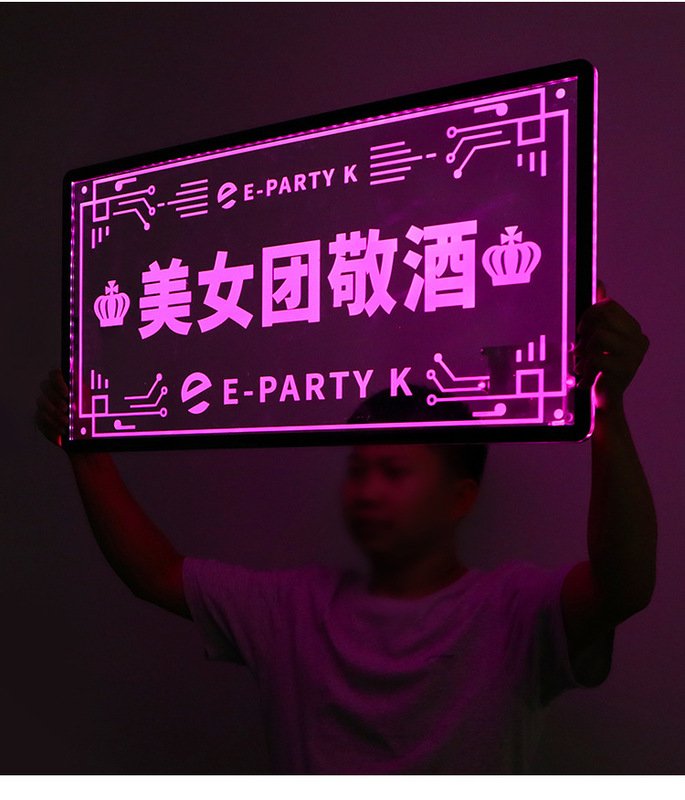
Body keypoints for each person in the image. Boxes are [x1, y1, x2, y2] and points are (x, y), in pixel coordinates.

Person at [35, 284, 656, 774]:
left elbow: (624, 586)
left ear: (459, 497)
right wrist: (84, 451)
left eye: (394, 472)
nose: (367, 490)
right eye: (358, 469)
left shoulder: (512, 610)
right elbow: (155, 574)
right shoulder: (294, 608)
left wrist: (609, 410)